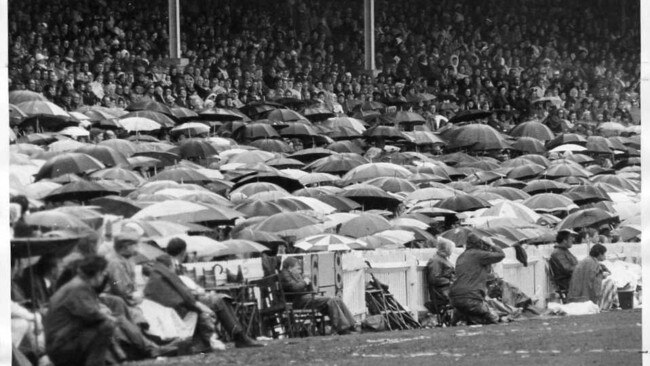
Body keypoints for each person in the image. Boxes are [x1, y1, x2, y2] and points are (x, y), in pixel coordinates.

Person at [145, 254, 263, 350]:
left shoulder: (157, 276)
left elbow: (180, 294)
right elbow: (185, 297)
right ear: (170, 266)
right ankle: (240, 337)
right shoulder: (166, 274)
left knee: (222, 299)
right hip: (177, 311)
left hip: (173, 310)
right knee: (217, 300)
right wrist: (201, 305)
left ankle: (240, 335)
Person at [43, 255, 116, 366]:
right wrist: (107, 316)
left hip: (60, 341)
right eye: (102, 273)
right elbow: (92, 314)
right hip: (60, 346)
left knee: (104, 324)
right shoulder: (79, 287)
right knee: (107, 325)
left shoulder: (78, 284)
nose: (103, 277)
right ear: (96, 274)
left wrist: (101, 312)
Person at [279, 256, 358, 335]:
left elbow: (307, 289)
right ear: (290, 268)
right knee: (331, 300)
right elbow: (295, 288)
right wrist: (305, 282)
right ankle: (342, 329)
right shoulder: (285, 276)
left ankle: (352, 325)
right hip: (297, 301)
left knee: (336, 299)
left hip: (304, 297)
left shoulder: (293, 274)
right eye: (298, 269)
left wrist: (308, 282)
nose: (300, 271)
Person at [448, 233, 505, 325]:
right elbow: (501, 255)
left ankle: (455, 320)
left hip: (455, 298)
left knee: (468, 314)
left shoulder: (461, 256)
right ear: (480, 243)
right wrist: (492, 245)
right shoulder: (479, 255)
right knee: (490, 316)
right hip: (471, 298)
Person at [567, 244, 619, 310]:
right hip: (585, 296)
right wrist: (603, 276)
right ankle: (608, 306)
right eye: (604, 254)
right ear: (600, 254)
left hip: (577, 294)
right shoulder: (593, 263)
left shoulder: (587, 260)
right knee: (610, 282)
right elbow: (593, 282)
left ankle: (615, 305)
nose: (605, 256)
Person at [426, 239, 455, 307]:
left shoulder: (442, 259)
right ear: (446, 249)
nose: (452, 251)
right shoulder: (436, 260)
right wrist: (449, 281)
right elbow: (433, 279)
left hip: (447, 290)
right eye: (451, 248)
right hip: (442, 292)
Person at [549, 229, 579, 294]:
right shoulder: (558, 253)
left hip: (572, 279)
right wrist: (581, 268)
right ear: (565, 241)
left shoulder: (564, 250)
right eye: (571, 239)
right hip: (566, 282)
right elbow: (567, 269)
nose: (572, 241)